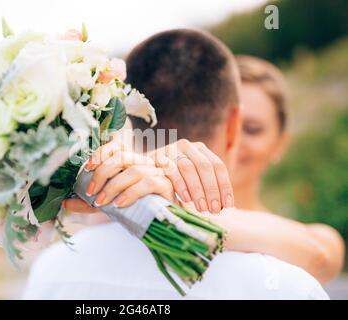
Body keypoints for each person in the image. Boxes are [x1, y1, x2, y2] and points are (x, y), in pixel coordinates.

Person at [22, 29, 329, 299]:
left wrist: (160, 200)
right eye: (246, 127)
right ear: (233, 125)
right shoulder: (287, 285)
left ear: (126, 117)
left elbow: (323, 252)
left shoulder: (50, 271)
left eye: (257, 128)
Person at [231, 55, 345, 283]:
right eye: (221, 123)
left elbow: (322, 254)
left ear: (279, 145)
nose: (232, 138)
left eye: (252, 129)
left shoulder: (313, 241)